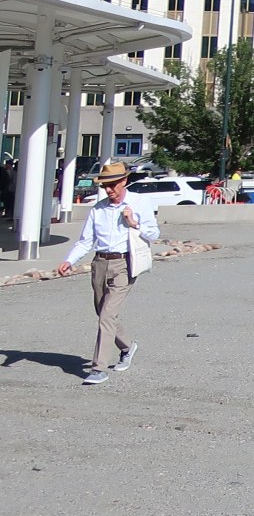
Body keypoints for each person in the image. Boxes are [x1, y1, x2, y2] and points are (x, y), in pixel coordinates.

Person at [53, 160, 160, 386]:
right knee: (103, 312)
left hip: (125, 263)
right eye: (105, 186)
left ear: (124, 181)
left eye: (113, 184)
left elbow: (153, 234)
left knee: (107, 315)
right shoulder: (98, 209)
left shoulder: (140, 203)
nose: (109, 190)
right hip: (100, 263)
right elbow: (86, 241)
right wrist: (69, 261)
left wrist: (134, 222)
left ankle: (98, 368)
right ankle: (128, 347)